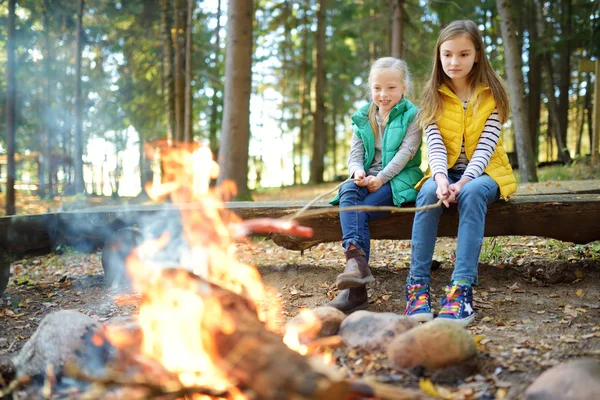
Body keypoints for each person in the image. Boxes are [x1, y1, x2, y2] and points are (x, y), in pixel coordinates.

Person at [403, 20, 516, 326]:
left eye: (463, 54)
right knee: (426, 194)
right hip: (445, 171)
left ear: (477, 55)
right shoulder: (433, 96)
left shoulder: (492, 94)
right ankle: (417, 287)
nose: (455, 61)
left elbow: (486, 147)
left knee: (472, 192)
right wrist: (441, 180)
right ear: (439, 56)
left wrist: (463, 181)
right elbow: (435, 145)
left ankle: (461, 290)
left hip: (487, 172)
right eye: (448, 54)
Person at [326, 57, 424, 314]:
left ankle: (354, 293)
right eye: (377, 87)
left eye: (391, 87)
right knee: (347, 190)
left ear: (404, 87)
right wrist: (357, 171)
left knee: (357, 212)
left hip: (399, 179)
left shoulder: (413, 115)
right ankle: (355, 263)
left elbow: (406, 154)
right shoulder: (364, 116)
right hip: (367, 177)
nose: (383, 94)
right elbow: (355, 154)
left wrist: (381, 178)